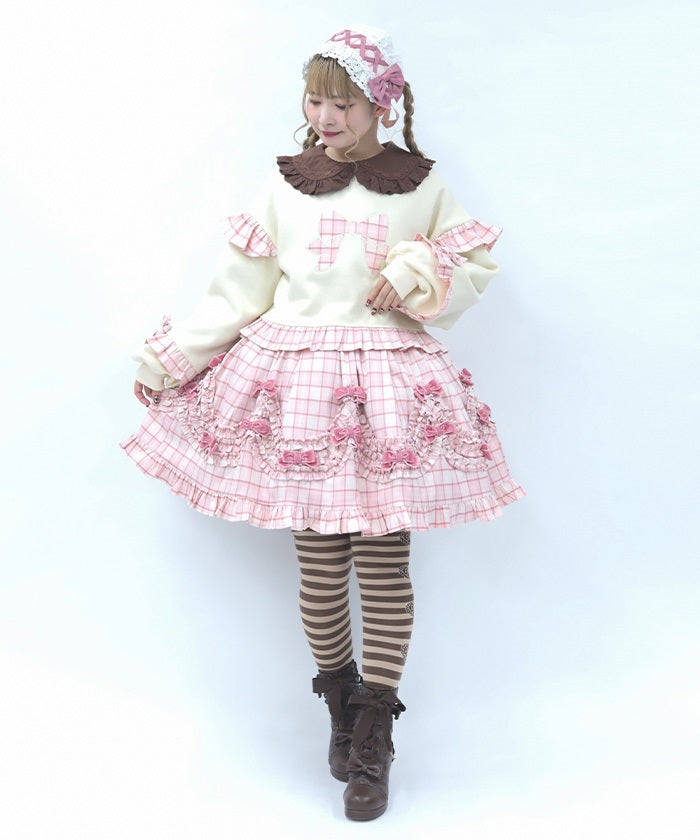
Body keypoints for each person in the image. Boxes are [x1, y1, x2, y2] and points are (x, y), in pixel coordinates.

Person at [121, 24, 525, 822]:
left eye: (344, 102)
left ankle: (376, 726)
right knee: (318, 566)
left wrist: (415, 268)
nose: (327, 116)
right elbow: (239, 292)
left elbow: (471, 261)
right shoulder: (286, 187)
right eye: (315, 100)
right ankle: (338, 702)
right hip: (300, 387)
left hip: (387, 392)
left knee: (383, 566)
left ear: (382, 105)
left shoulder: (420, 187)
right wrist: (172, 359)